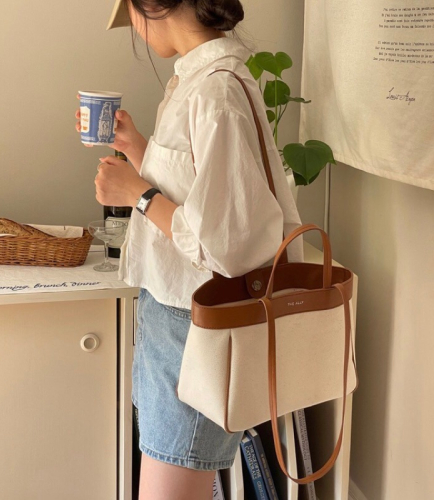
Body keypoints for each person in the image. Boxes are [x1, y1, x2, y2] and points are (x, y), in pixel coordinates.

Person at [76, 1, 304, 498]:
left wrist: (137, 194)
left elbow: (225, 244)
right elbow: (201, 192)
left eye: (131, 15)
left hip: (194, 324)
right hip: (173, 317)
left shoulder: (216, 90)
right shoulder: (198, 81)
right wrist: (136, 147)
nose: (135, 29)